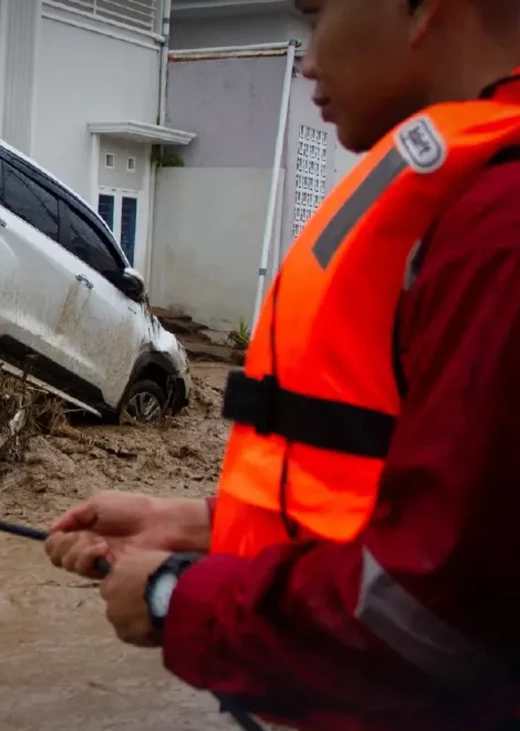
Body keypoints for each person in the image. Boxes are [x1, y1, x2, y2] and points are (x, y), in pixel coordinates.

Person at [45, 0, 520, 729]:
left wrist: (179, 595)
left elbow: (437, 615)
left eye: (317, 13)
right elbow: (432, 499)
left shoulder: (501, 228)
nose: (306, 58)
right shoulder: (473, 206)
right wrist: (201, 524)